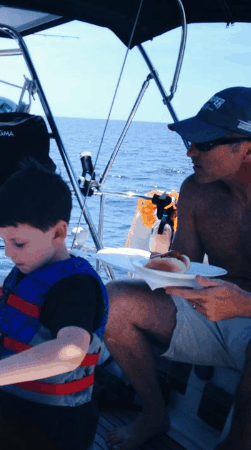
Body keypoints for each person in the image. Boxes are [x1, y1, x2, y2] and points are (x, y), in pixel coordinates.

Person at [105, 86, 251, 450]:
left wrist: (245, 305)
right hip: (211, 310)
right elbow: (182, 262)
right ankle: (154, 414)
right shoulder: (196, 190)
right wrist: (162, 267)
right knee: (114, 302)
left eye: (203, 143)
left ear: (246, 147)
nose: (190, 151)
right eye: (191, 140)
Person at [0, 160, 108, 450]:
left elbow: (69, 352)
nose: (7, 253)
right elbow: (29, 342)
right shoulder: (31, 269)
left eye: (18, 243)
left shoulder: (74, 288)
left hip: (55, 429)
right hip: (14, 409)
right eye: (3, 242)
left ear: (58, 233)